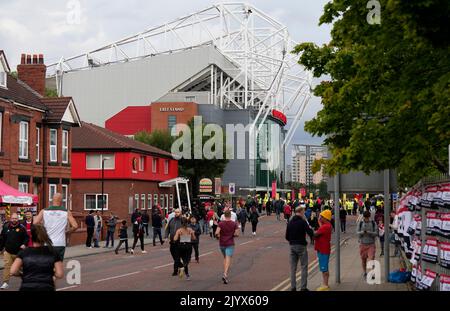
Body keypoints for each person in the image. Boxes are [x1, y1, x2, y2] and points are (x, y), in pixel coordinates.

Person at [10, 224, 64, 291]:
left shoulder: (23, 252)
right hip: (47, 286)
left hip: (27, 286)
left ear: (31, 236)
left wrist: (22, 274)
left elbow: (13, 271)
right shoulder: (53, 252)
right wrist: (50, 274)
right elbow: (59, 274)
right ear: (45, 236)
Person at [34, 193, 78, 260]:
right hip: (60, 243)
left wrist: (43, 230)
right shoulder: (66, 212)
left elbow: (35, 223)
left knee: (47, 264)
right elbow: (75, 226)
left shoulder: (44, 211)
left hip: (47, 243)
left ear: (52, 200)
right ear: (61, 201)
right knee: (58, 265)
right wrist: (67, 232)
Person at [286, 206, 314, 291]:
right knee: (304, 266)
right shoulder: (303, 222)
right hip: (301, 245)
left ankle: (293, 287)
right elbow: (310, 233)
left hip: (292, 246)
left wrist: (292, 240)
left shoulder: (290, 222)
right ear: (301, 212)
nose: (304, 213)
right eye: (303, 212)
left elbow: (286, 236)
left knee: (293, 268)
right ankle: (303, 287)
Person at [0, 213, 29, 290]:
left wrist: (24, 244)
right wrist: (1, 249)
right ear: (10, 219)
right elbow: (2, 238)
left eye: (16, 218)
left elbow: (26, 237)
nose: (14, 220)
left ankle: (25, 277)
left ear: (18, 219)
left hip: (18, 253)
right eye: (13, 218)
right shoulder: (6, 227)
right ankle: (5, 283)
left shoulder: (22, 228)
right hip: (8, 251)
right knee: (7, 266)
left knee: (17, 270)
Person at [216, 210, 240, 284]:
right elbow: (237, 234)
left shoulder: (220, 223)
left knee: (225, 258)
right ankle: (225, 274)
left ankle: (225, 272)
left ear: (224, 215)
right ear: (230, 215)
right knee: (228, 258)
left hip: (222, 243)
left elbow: (216, 233)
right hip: (230, 243)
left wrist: (219, 236)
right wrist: (232, 235)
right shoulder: (234, 224)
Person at [314, 209, 333, 291]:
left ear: (325, 218)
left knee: (324, 268)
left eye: (321, 216)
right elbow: (320, 229)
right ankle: (325, 284)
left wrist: (310, 229)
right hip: (323, 248)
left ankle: (325, 285)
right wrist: (319, 222)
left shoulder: (325, 227)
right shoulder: (327, 225)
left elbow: (315, 234)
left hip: (323, 249)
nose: (320, 218)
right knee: (324, 267)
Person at [357, 211, 378, 279]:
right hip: (363, 244)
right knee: (363, 260)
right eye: (365, 218)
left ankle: (372, 273)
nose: (366, 219)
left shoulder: (373, 223)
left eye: (367, 218)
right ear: (363, 217)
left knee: (371, 259)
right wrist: (362, 232)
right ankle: (364, 272)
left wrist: (369, 232)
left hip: (371, 244)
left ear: (369, 217)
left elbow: (376, 233)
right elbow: (357, 233)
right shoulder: (360, 223)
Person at [165, 209, 183, 276]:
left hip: (180, 241)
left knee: (177, 256)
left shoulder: (182, 220)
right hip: (172, 241)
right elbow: (167, 229)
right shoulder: (172, 220)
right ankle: (181, 266)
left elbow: (186, 230)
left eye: (178, 212)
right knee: (173, 254)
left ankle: (175, 271)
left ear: (180, 213)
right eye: (175, 212)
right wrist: (166, 237)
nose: (176, 213)